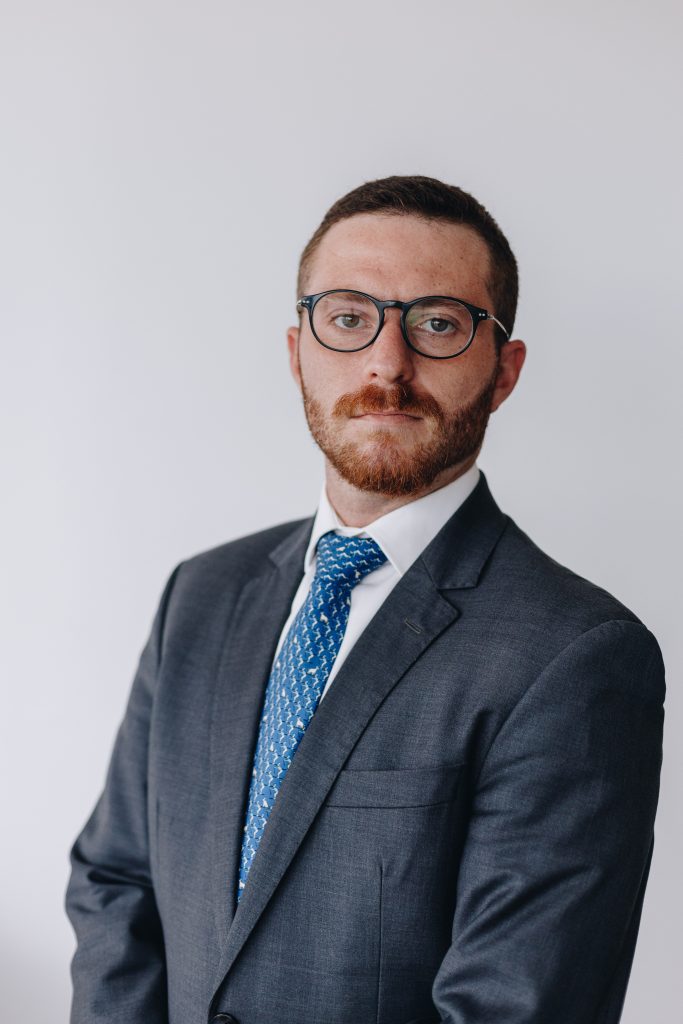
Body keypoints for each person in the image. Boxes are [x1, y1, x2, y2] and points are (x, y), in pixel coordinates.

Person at [65, 175, 666, 1024]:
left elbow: (512, 1008)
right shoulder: (200, 596)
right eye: (348, 318)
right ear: (296, 351)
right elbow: (115, 881)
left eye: (438, 324)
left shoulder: (576, 657)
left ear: (503, 372)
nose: (387, 364)